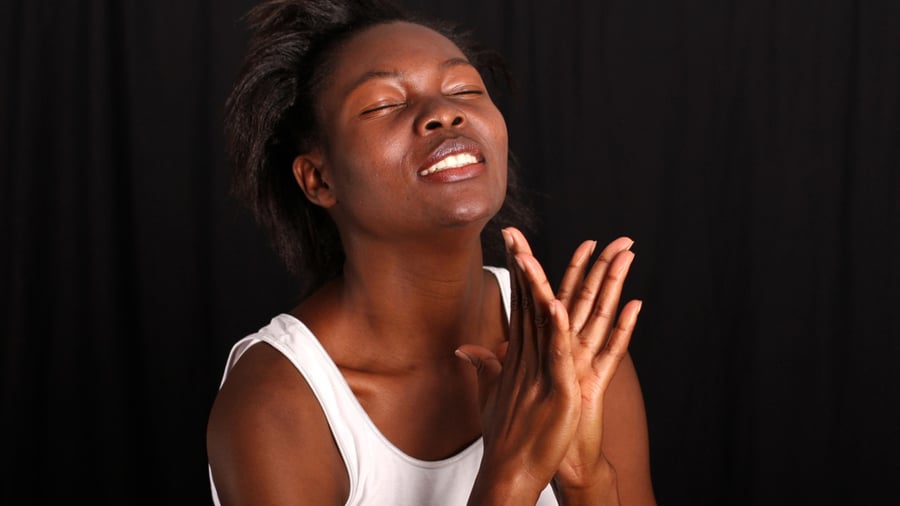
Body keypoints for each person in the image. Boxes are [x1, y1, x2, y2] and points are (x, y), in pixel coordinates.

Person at [206, 0, 656, 504]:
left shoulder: (570, 347)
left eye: (464, 90)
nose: (445, 112)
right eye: (383, 104)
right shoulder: (280, 398)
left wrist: (585, 478)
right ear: (319, 178)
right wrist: (513, 474)